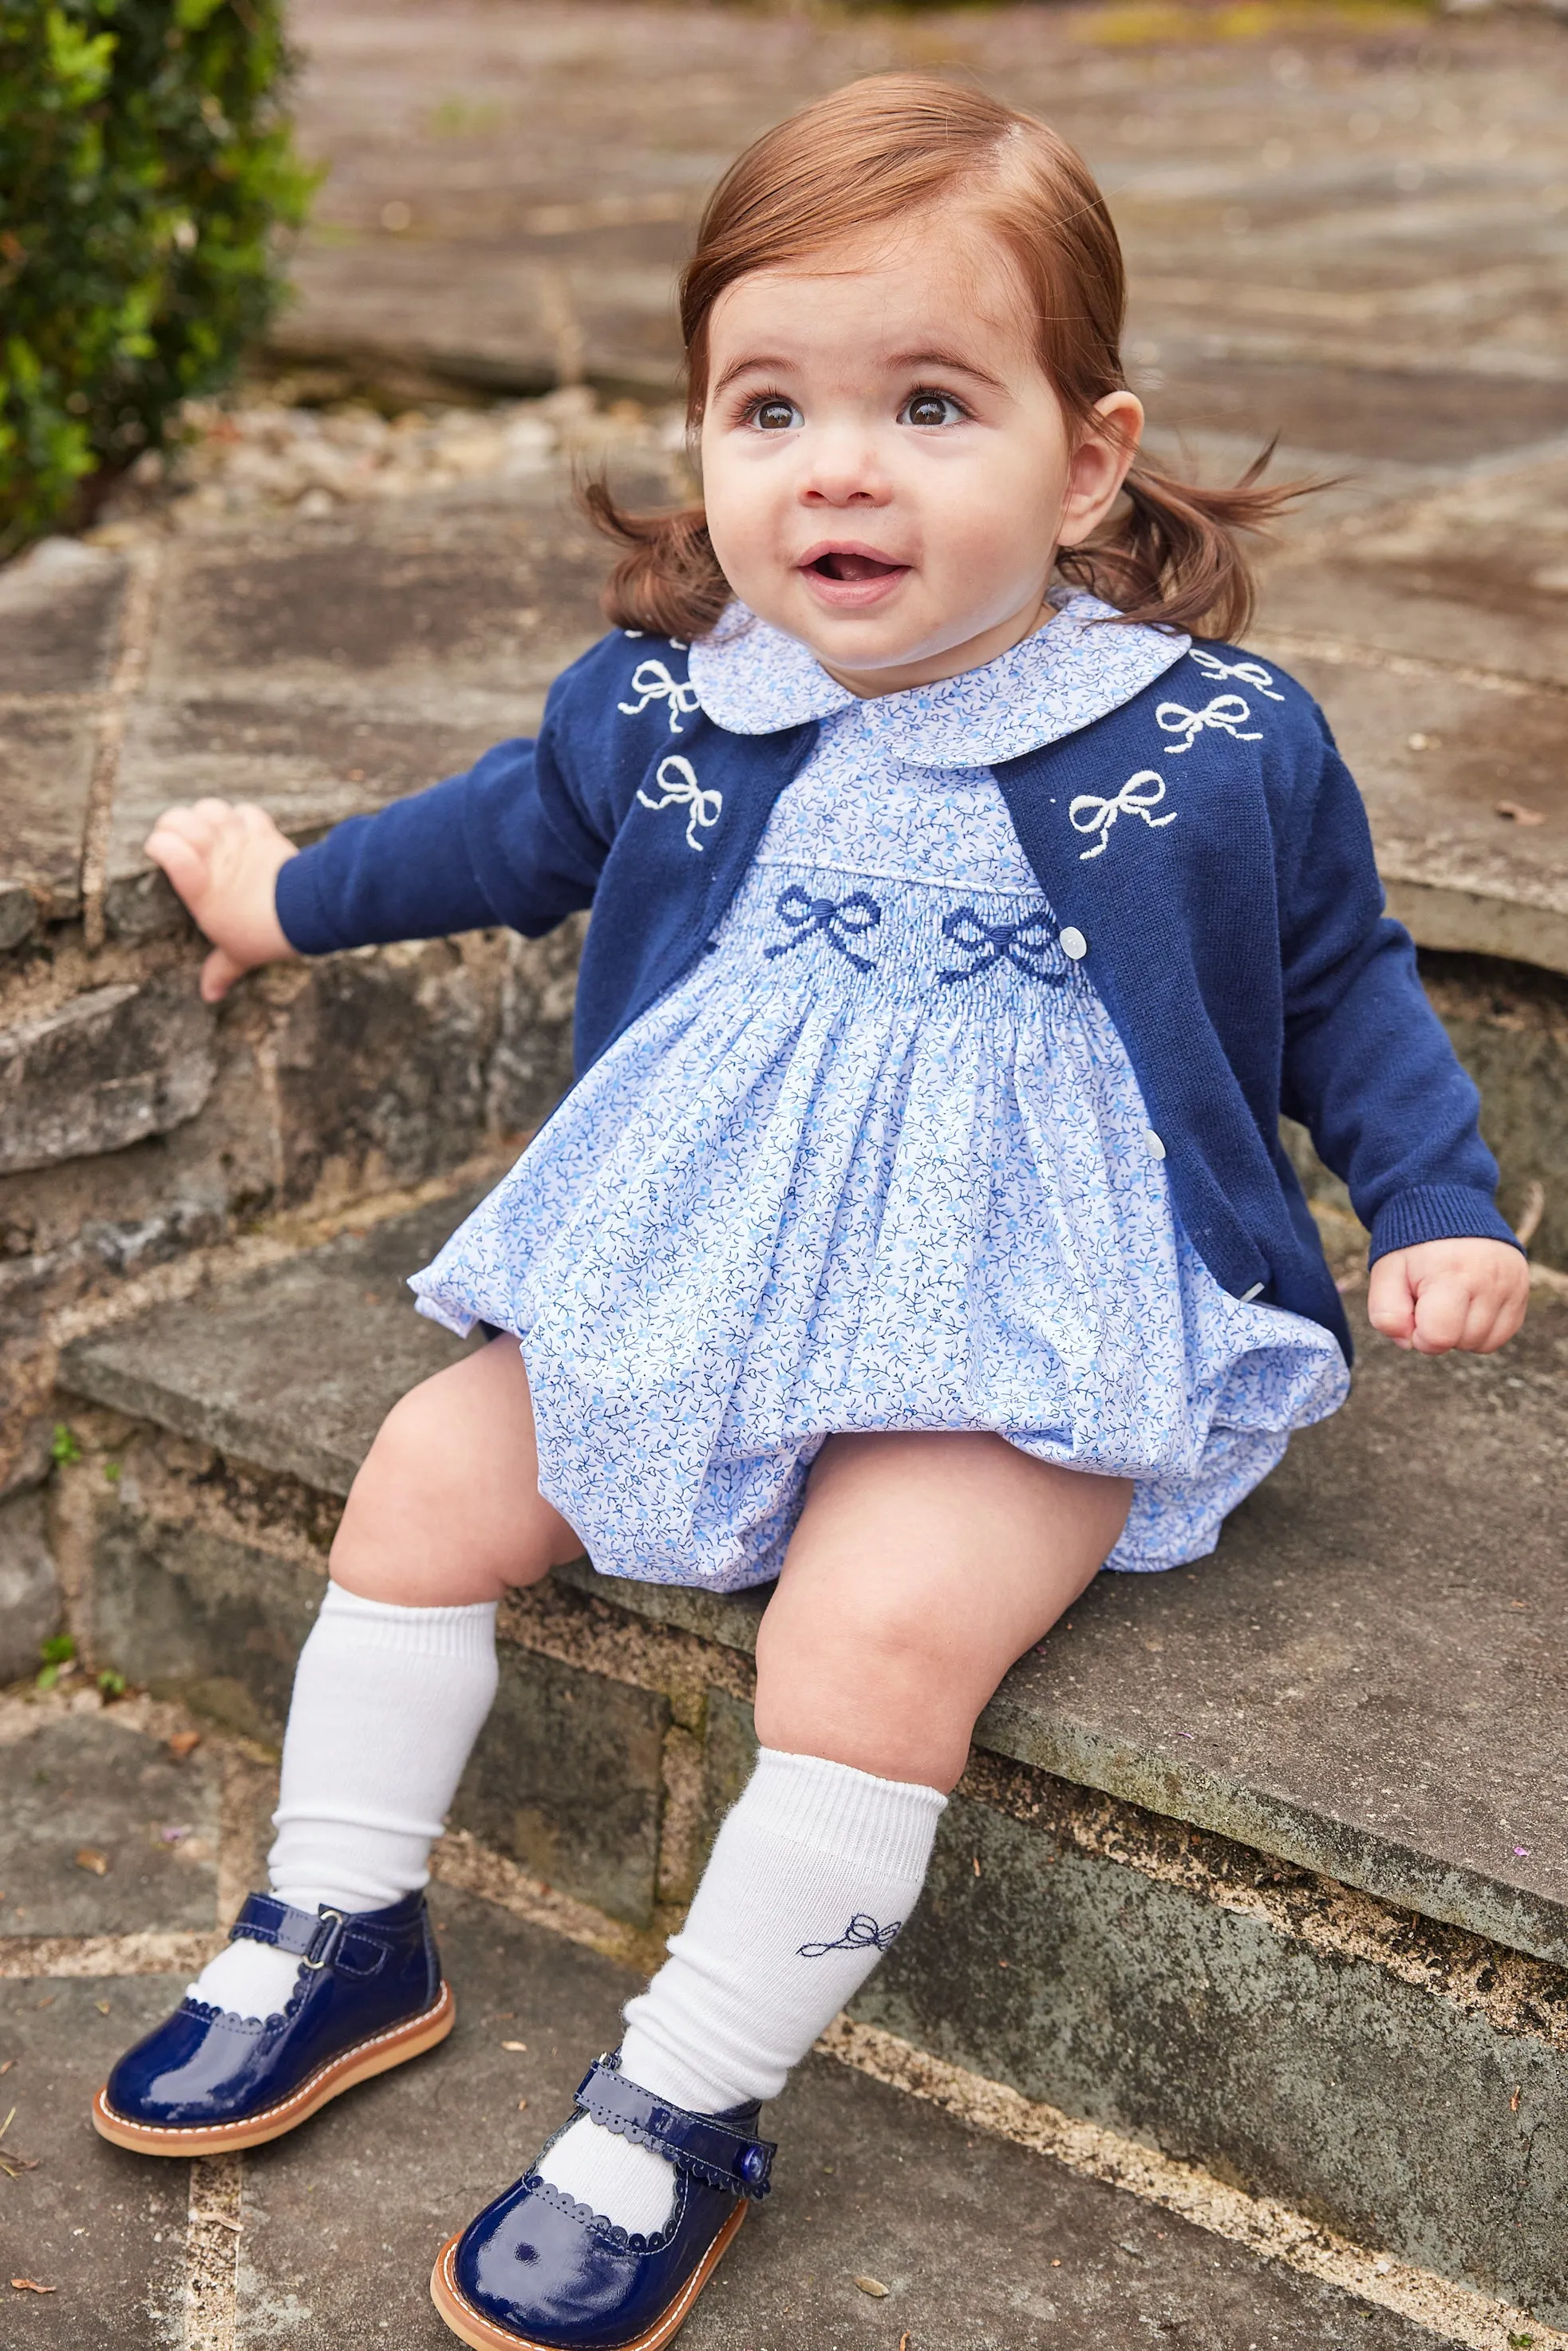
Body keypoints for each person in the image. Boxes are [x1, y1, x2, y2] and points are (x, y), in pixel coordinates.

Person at [93, 73, 1528, 2351]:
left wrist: (1431, 1201)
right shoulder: (673, 708)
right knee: (417, 1481)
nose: (835, 466)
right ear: (704, 440)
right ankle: (344, 1921)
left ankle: (686, 2093)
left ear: (1083, 459)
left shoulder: (1210, 741)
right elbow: (487, 840)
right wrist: (279, 894)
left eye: (928, 403)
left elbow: (1339, 981)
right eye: (770, 406)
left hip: (1026, 1307)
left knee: (861, 1643)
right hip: (702, 1257)